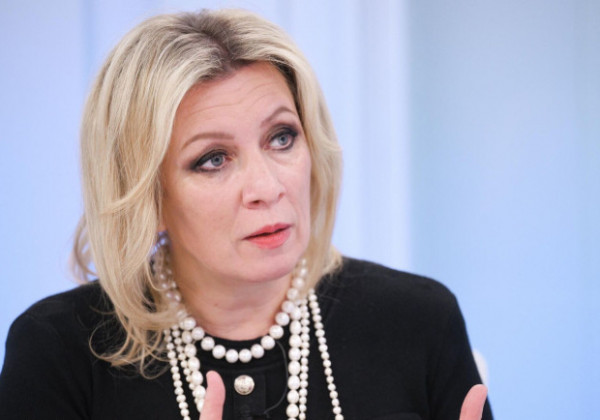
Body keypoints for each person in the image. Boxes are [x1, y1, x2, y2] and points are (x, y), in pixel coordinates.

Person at [0, 9, 492, 420]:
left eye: (282, 137)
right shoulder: (59, 352)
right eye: (213, 159)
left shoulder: (418, 320)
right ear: (146, 194)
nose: (267, 187)